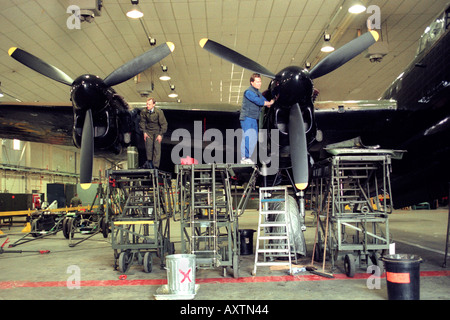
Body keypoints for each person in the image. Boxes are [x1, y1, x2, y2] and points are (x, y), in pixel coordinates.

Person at [240, 73, 275, 164]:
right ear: (252, 82)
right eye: (257, 82)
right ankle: (244, 158)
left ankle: (248, 158)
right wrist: (269, 103)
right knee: (248, 137)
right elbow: (259, 101)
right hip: (247, 118)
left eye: (260, 81)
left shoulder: (258, 93)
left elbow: (265, 101)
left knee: (254, 138)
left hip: (253, 118)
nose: (260, 83)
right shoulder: (249, 92)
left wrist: (272, 102)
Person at [139, 97, 168, 169]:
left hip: (157, 132)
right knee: (148, 149)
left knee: (157, 149)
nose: (147, 106)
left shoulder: (159, 112)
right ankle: (149, 164)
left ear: (153, 105)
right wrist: (144, 132)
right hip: (148, 132)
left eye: (149, 104)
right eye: (147, 104)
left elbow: (164, 124)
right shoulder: (144, 111)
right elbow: (142, 122)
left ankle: (155, 167)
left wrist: (160, 134)